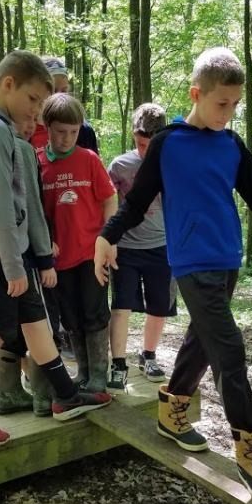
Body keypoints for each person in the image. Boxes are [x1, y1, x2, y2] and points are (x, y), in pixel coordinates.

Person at [94, 47, 252, 503]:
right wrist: (108, 235)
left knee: (202, 340)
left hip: (226, 260)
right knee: (229, 351)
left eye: (236, 105)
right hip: (191, 262)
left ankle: (173, 410)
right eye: (222, 103)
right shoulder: (167, 143)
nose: (229, 112)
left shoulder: (231, 145)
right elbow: (138, 201)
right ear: (196, 94)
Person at [0, 51, 111, 449]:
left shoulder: (2, 131)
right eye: (34, 99)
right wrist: (17, 267)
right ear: (8, 84)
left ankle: (65, 395)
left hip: (11, 253)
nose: (38, 110)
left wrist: (30, 259)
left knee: (36, 322)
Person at [38, 93, 117, 392]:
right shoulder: (38, 162)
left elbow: (110, 199)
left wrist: (107, 238)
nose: (67, 138)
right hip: (58, 260)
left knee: (95, 313)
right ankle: (83, 372)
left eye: (74, 132)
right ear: (47, 127)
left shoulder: (89, 159)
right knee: (71, 317)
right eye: (61, 131)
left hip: (91, 255)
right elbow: (35, 212)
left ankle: (98, 374)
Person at [0, 115, 59, 417]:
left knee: (10, 326)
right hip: (25, 254)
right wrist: (45, 258)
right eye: (27, 115)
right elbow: (31, 207)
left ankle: (7, 393)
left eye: (36, 119)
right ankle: (45, 397)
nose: (31, 123)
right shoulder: (20, 149)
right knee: (43, 325)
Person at [107, 103, 174, 391]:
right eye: (140, 144)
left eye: (151, 145)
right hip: (127, 248)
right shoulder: (120, 166)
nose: (145, 151)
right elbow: (110, 206)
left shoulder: (174, 166)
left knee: (159, 307)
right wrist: (108, 240)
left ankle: (148, 355)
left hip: (161, 247)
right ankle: (118, 363)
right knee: (121, 306)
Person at [30, 57, 99, 154]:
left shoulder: (83, 130)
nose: (59, 96)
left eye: (64, 90)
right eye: (53, 90)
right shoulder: (27, 129)